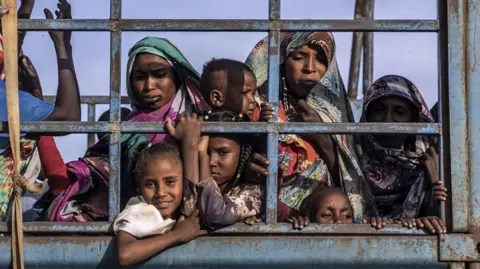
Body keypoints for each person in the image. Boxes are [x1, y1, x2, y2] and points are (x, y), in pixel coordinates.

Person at [46, 36, 209, 222]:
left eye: (160, 74)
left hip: (186, 218)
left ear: (177, 75)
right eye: (140, 77)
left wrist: (188, 142)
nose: (148, 86)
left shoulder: (196, 117)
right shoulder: (129, 124)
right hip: (132, 217)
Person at [245, 32, 375, 228]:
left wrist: (322, 138)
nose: (310, 68)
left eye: (321, 59)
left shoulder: (338, 117)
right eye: (298, 57)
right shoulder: (257, 110)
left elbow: (351, 188)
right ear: (280, 62)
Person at [0, 0, 80, 221]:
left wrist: (26, 5)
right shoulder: (7, 100)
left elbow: (10, 42)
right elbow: (69, 117)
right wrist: (63, 48)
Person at [358, 74, 447, 234]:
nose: (387, 120)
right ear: (367, 115)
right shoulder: (351, 158)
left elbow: (443, 221)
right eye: (378, 110)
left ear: (414, 119)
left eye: (399, 112)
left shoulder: (431, 162)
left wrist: (435, 181)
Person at [115, 113, 207, 266]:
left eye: (170, 182)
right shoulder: (139, 210)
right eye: (150, 184)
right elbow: (125, 255)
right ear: (139, 187)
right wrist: (177, 235)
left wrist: (190, 144)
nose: (161, 193)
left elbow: (192, 196)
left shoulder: (177, 210)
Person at [194, 111, 263, 228]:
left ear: (242, 154)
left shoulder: (254, 193)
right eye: (206, 152)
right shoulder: (192, 182)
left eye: (223, 152)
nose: (211, 162)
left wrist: (202, 154)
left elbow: (216, 216)